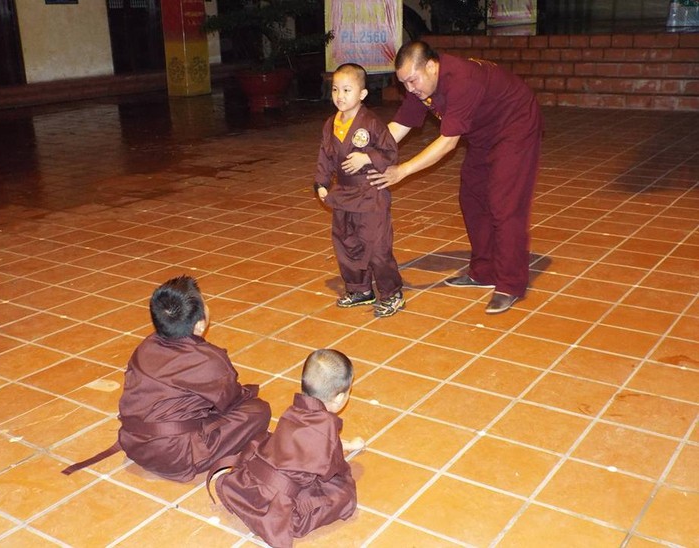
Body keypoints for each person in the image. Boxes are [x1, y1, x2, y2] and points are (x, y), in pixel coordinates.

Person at [368, 41, 543, 314]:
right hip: (484, 133)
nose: (410, 89)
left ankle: (510, 283)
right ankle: (484, 271)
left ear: (431, 66)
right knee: (472, 196)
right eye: (404, 84)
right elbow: (399, 126)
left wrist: (402, 170)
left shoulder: (462, 81)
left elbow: (448, 143)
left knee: (504, 204)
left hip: (515, 125)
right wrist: (368, 154)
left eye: (412, 81)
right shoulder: (420, 85)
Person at [62, 275, 271, 482]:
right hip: (176, 456)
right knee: (258, 410)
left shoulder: (145, 347)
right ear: (199, 325)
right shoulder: (208, 360)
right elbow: (231, 401)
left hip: (135, 443)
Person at [212, 348, 364, 548]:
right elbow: (332, 470)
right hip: (277, 505)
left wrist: (345, 445)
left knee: (267, 439)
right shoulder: (326, 426)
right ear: (339, 398)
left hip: (250, 484)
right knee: (344, 495)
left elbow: (312, 446)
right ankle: (277, 519)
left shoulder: (293, 410)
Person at [314, 62, 405, 318]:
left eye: (346, 90)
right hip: (344, 193)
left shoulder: (371, 122)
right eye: (335, 90)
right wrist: (321, 182)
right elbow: (325, 155)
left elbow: (390, 151)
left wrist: (367, 158)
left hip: (370, 193)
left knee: (377, 246)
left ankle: (392, 293)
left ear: (362, 94)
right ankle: (360, 290)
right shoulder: (331, 124)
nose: (340, 96)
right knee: (347, 244)